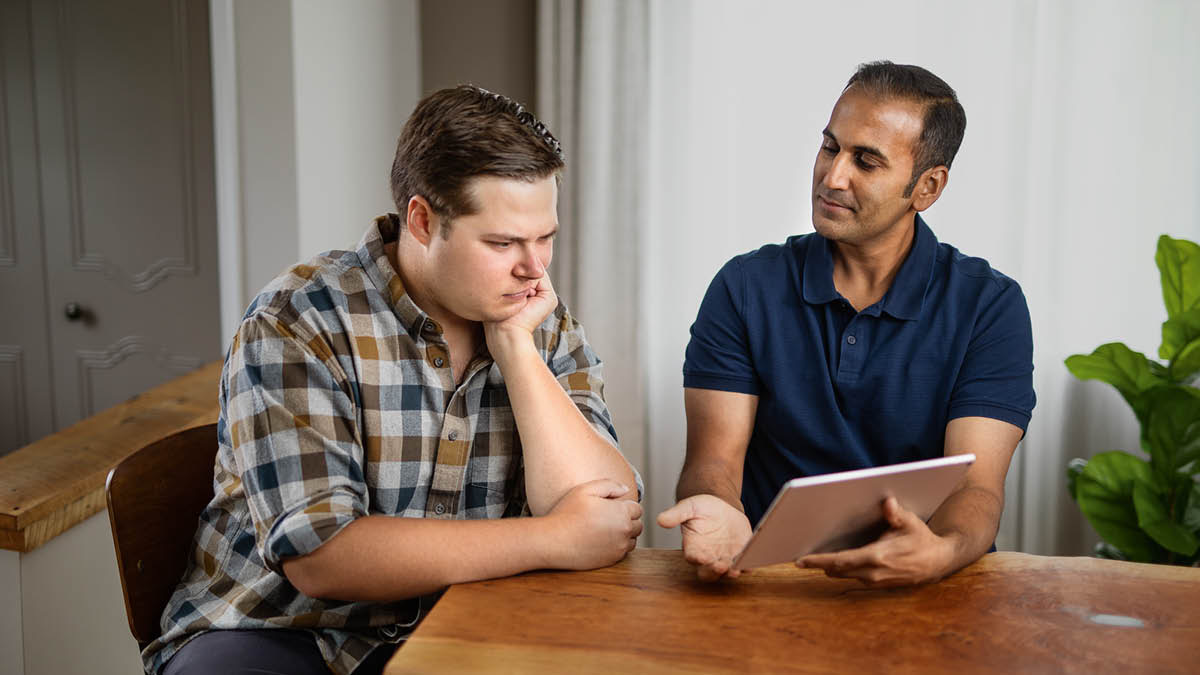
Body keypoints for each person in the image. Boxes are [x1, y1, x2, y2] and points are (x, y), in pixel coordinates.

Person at [145, 85, 643, 675]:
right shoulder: (298, 318)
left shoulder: (536, 320)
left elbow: (608, 510)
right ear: (423, 221)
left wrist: (516, 350)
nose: (534, 269)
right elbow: (321, 555)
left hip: (464, 625)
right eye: (502, 242)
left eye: (546, 238)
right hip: (277, 631)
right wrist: (551, 539)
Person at [657, 61, 1035, 587]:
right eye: (831, 146)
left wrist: (939, 554)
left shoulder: (990, 306)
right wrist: (716, 508)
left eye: (867, 161)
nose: (833, 176)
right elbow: (714, 460)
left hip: (930, 588)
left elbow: (975, 488)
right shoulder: (744, 286)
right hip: (775, 581)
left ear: (926, 187)